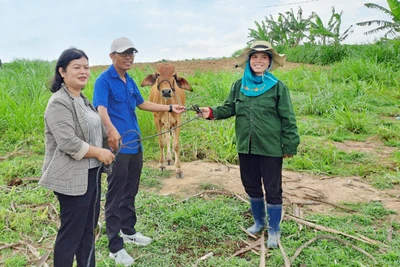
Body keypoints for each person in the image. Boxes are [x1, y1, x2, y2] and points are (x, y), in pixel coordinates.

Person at [93, 37, 185, 266]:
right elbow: (101, 108)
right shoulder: (104, 80)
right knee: (115, 195)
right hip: (118, 145)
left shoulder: (130, 80)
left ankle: (128, 230)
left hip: (136, 144)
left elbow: (142, 103)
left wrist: (170, 107)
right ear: (111, 56)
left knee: (130, 190)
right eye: (123, 53)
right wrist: (111, 130)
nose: (128, 57)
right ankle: (115, 246)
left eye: (131, 53)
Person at [199, 40, 300, 248]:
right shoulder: (239, 86)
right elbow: (229, 108)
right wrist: (210, 112)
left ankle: (274, 230)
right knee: (251, 184)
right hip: (246, 146)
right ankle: (259, 222)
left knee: (273, 188)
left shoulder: (278, 87)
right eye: (255, 57)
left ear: (270, 62)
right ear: (249, 61)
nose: (259, 61)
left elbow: (288, 118)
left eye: (264, 57)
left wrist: (289, 145)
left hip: (271, 147)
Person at [39, 48, 115, 267]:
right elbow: (68, 142)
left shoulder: (82, 99)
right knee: (71, 233)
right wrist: (99, 152)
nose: (83, 71)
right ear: (62, 72)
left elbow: (93, 130)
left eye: (86, 67)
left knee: (87, 230)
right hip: (70, 179)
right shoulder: (58, 102)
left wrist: (108, 138)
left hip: (90, 173)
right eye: (77, 67)